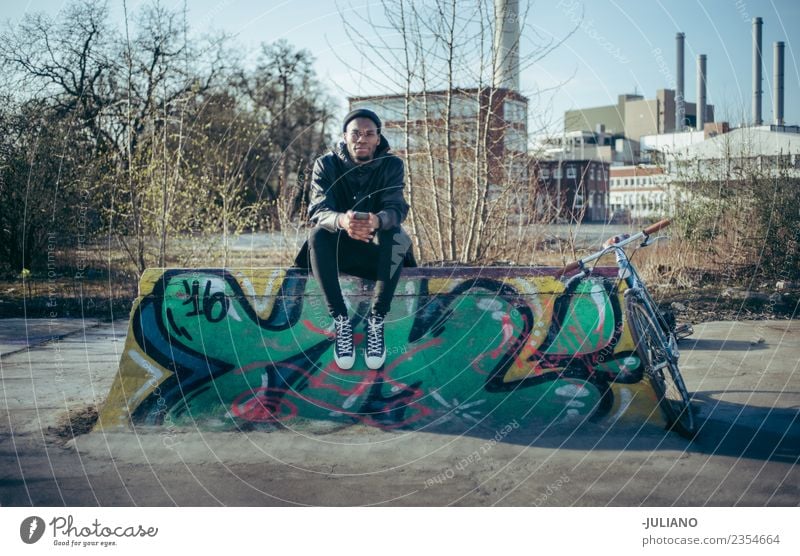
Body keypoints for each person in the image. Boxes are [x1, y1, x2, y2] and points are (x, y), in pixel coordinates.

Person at [294, 108, 413, 370]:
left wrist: (376, 221)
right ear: (345, 136)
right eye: (356, 133)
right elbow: (318, 209)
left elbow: (396, 208)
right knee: (318, 235)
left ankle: (376, 320)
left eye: (369, 134)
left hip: (378, 256)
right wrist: (343, 221)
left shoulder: (392, 165)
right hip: (335, 255)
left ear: (378, 138)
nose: (362, 139)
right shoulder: (326, 164)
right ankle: (341, 321)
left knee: (396, 234)